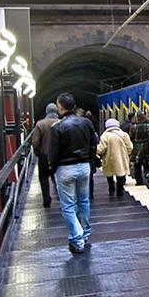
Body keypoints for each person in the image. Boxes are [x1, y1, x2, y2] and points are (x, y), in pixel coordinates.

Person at [48, 93, 98, 254]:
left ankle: (77, 239)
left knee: (68, 205)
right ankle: (85, 232)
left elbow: (53, 153)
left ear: (61, 107)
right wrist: (89, 161)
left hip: (65, 169)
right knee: (84, 201)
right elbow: (93, 144)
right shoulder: (86, 123)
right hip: (84, 167)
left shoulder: (57, 127)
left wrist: (53, 169)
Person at [31, 103, 59, 208]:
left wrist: (37, 152)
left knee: (43, 178)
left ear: (47, 111)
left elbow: (35, 142)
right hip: (58, 156)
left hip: (44, 155)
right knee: (58, 176)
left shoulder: (40, 124)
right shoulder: (61, 122)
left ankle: (46, 200)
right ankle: (61, 196)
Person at [97, 118, 133, 197]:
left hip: (108, 159)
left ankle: (111, 190)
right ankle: (120, 192)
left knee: (109, 175)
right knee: (120, 175)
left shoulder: (105, 136)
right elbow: (130, 146)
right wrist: (126, 154)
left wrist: (96, 151)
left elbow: (101, 149)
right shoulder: (124, 134)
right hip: (121, 158)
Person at [129, 111, 149, 185]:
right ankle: (147, 173)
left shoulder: (133, 127)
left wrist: (133, 144)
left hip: (136, 147)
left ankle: (139, 181)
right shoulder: (148, 125)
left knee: (137, 164)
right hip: (146, 146)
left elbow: (131, 137)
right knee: (145, 161)